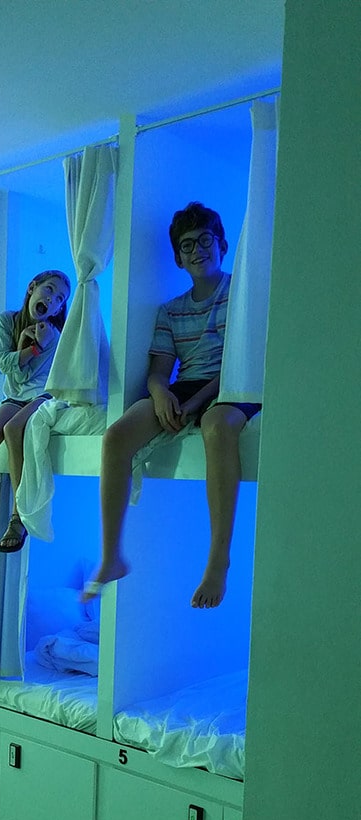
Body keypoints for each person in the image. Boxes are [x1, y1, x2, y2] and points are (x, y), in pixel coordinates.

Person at [82, 201, 261, 609]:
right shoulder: (171, 310)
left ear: (222, 245)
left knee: (217, 424)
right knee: (116, 436)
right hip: (187, 385)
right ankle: (111, 556)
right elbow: (159, 373)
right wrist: (162, 395)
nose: (197, 250)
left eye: (205, 240)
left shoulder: (241, 293)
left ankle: (218, 560)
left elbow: (241, 361)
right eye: (187, 245)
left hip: (234, 381)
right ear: (179, 259)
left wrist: (195, 402)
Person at [0, 269, 71, 554]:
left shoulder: (54, 334)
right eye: (49, 290)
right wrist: (28, 346)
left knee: (13, 429)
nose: (52, 300)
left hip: (43, 393)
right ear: (32, 288)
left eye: (60, 299)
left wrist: (35, 346)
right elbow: (7, 367)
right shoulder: (6, 320)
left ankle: (18, 516)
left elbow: (25, 375)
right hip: (14, 395)